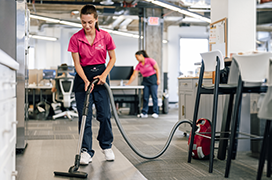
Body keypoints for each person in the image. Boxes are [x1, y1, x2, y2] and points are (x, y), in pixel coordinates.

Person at [67, 4, 116, 165]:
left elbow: (113, 58)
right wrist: (86, 81)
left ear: (96, 20)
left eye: (90, 22)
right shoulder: (75, 38)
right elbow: (77, 64)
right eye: (83, 22)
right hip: (83, 78)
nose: (87, 26)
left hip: (101, 78)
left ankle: (106, 145)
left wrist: (103, 75)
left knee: (104, 115)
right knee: (84, 117)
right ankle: (86, 151)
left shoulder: (106, 36)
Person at [126, 50, 160, 118]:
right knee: (145, 97)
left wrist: (158, 79)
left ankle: (155, 112)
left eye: (137, 57)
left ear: (141, 55)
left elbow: (157, 69)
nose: (137, 59)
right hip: (145, 80)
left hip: (153, 79)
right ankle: (144, 112)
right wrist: (128, 83)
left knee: (154, 96)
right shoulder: (139, 65)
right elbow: (134, 75)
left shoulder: (150, 60)